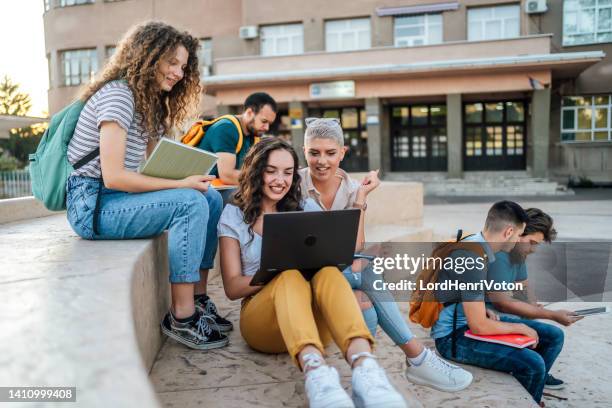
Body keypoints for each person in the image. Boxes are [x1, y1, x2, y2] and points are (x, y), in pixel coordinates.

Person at [65, 21, 229, 350]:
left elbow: (152, 165)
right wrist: (182, 183)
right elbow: (113, 176)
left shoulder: (148, 103)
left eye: (183, 66)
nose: (179, 73)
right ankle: (181, 317)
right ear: (148, 56)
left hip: (116, 198)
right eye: (172, 62)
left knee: (209, 197)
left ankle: (197, 300)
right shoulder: (118, 96)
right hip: (93, 205)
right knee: (189, 201)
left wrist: (186, 174)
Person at [217, 137, 407, 408]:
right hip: (263, 324)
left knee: (328, 271)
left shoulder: (304, 206)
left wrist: (360, 199)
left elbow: (347, 249)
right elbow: (233, 288)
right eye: (270, 171)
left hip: (315, 321)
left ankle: (366, 369)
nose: (279, 180)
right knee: (289, 275)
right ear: (254, 170)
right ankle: (317, 375)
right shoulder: (233, 215)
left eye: (287, 172)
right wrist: (275, 269)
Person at [298, 117, 473, 392]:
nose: (322, 161)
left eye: (331, 153)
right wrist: (355, 262)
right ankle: (417, 358)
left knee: (364, 296)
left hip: (343, 272)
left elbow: (355, 246)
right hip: (308, 275)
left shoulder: (353, 187)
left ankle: (366, 380)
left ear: (342, 153)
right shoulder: (293, 185)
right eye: (314, 153)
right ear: (303, 151)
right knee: (365, 270)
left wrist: (360, 199)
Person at [430, 201, 557, 406]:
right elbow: (479, 326)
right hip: (451, 339)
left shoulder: (477, 245)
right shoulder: (473, 258)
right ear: (508, 232)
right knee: (534, 364)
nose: (518, 242)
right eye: (519, 235)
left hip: (462, 322)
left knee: (551, 336)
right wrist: (519, 326)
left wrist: (479, 309)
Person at [487, 208, 580, 390]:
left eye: (536, 244)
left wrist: (532, 304)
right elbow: (502, 303)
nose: (533, 249)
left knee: (533, 319)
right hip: (490, 314)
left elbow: (524, 283)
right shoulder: (500, 255)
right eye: (531, 243)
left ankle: (537, 372)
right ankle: (533, 375)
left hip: (502, 309)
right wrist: (550, 314)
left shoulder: (517, 253)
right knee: (554, 335)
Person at [197, 92, 277, 199]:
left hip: (220, 188)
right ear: (249, 113)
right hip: (205, 190)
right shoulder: (226, 128)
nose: (267, 127)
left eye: (269, 124)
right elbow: (227, 175)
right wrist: (266, 179)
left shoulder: (253, 135)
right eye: (264, 121)